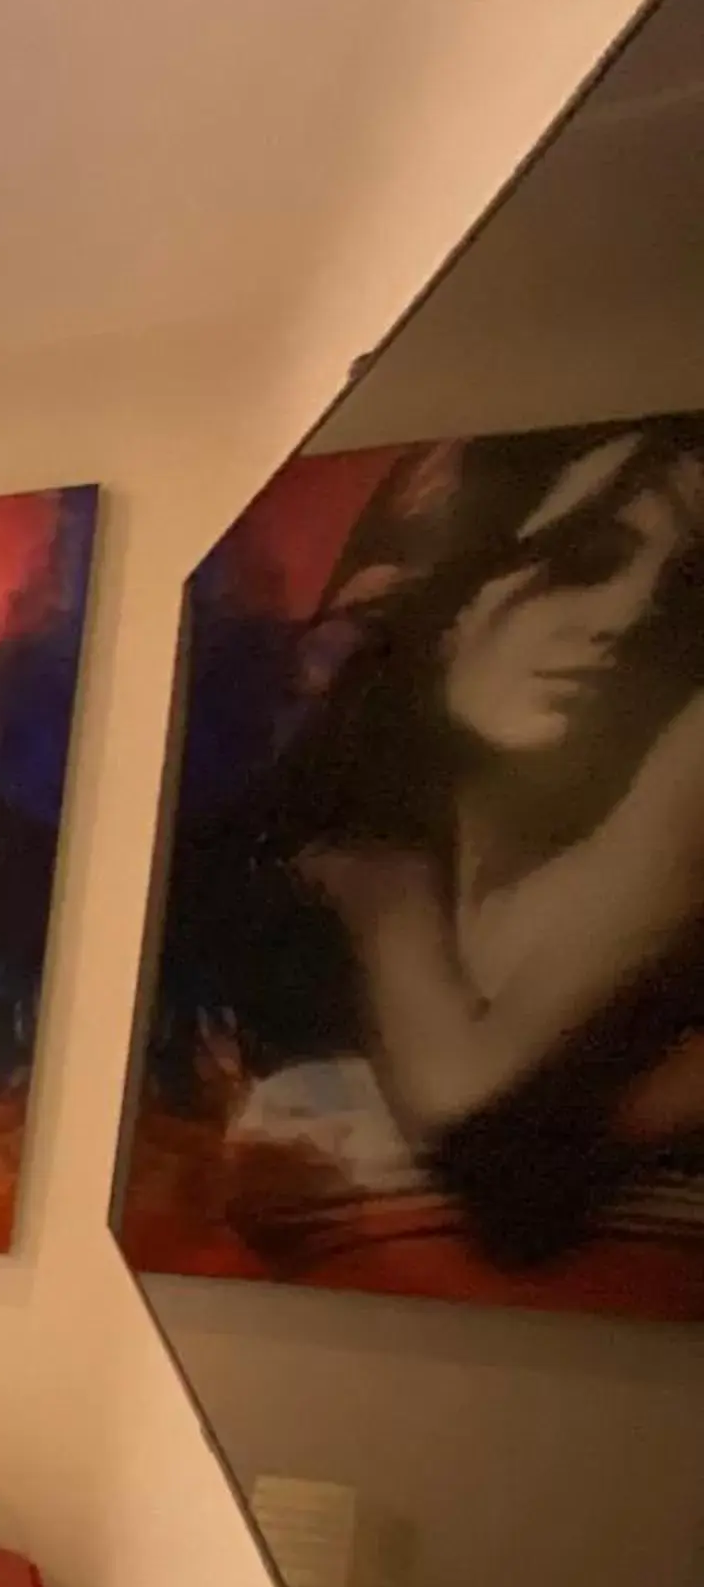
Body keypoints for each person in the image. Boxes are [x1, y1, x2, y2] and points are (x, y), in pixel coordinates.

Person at [168, 414, 704, 1287]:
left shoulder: (382, 881)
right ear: (451, 595)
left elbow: (469, 1110)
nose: (629, 617)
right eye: (586, 561)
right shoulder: (276, 900)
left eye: (686, 589)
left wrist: (387, 899)